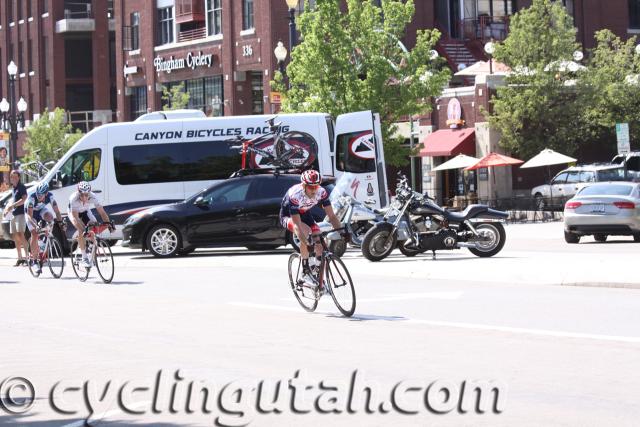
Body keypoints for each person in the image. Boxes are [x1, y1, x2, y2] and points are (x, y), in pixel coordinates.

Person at [280, 170, 343, 286]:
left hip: (305, 214)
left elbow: (332, 216)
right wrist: (307, 243)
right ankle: (304, 272)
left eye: (316, 186)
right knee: (305, 232)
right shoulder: (295, 195)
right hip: (289, 216)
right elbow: (297, 225)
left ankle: (318, 276)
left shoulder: (321, 192)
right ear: (304, 185)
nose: (314, 190)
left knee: (318, 241)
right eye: (310, 187)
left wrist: (342, 232)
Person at [68, 181, 114, 268]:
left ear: (89, 193)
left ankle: (90, 249)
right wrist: (84, 227)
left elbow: (102, 212)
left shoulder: (93, 197)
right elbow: (76, 218)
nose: (84, 197)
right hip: (74, 213)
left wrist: (109, 224)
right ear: (78, 193)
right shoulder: (73, 198)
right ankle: (84, 257)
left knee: (95, 226)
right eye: (82, 195)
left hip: (85, 211)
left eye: (86, 195)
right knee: (81, 230)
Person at [25, 182, 64, 274]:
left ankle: (44, 240)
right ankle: (34, 262)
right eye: (38, 194)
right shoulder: (31, 198)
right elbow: (30, 216)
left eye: (41, 195)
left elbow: (57, 212)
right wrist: (36, 226)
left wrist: (61, 223)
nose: (39, 197)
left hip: (41, 210)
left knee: (50, 217)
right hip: (30, 214)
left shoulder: (50, 196)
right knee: (34, 233)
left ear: (46, 193)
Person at [3, 170, 28, 266]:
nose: (12, 179)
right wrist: (7, 209)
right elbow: (12, 201)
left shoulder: (21, 187)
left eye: (14, 177)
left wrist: (13, 205)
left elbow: (24, 199)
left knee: (21, 235)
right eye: (11, 177)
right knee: (15, 237)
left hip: (20, 214)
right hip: (13, 215)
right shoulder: (13, 188)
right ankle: (20, 258)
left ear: (19, 177)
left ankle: (27, 258)